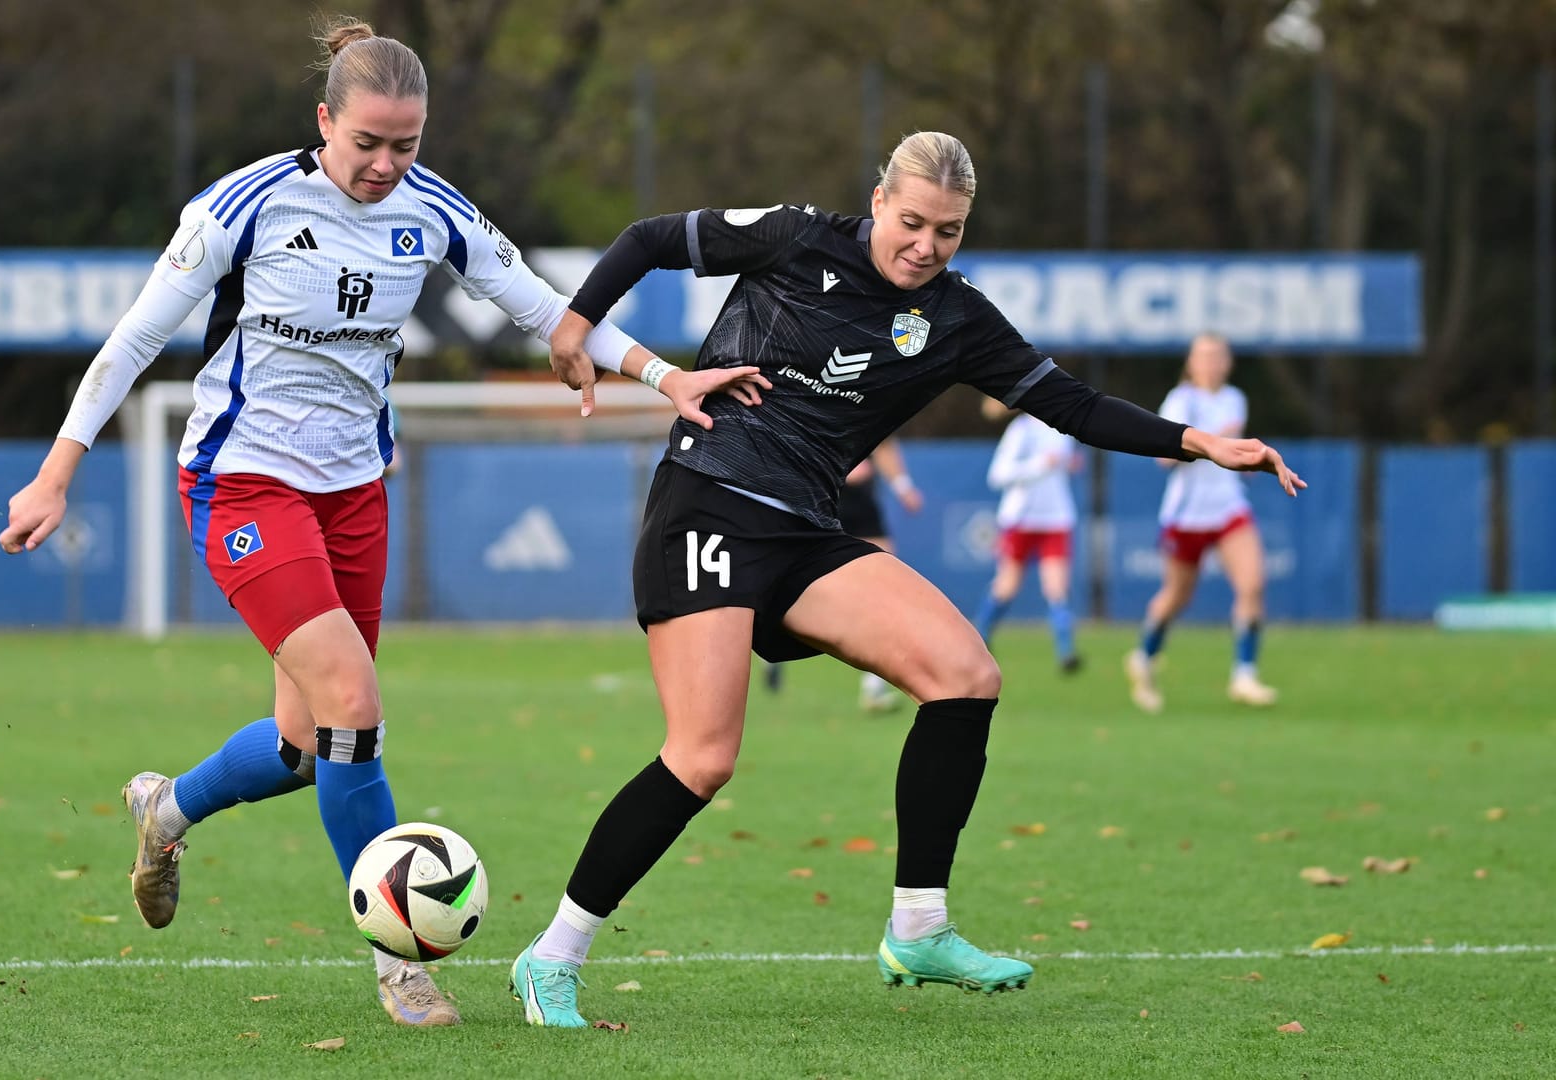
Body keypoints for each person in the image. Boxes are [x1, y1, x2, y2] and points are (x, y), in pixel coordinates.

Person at [0, 18, 763, 1028]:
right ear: (325, 121)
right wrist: (56, 474)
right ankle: (399, 958)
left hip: (355, 491)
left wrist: (661, 375)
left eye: (407, 144)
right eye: (367, 143)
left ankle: (165, 809)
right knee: (355, 702)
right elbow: (134, 340)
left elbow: (538, 304)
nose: (386, 164)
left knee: (303, 745)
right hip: (244, 486)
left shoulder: (432, 211)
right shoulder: (246, 205)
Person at [512, 130, 1304, 1027]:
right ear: (879, 201)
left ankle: (918, 924)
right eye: (913, 222)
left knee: (966, 676)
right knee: (704, 756)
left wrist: (1196, 442)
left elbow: (1072, 405)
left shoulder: (958, 317)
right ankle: (552, 958)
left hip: (808, 531)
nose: (926, 246)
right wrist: (574, 325)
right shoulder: (795, 234)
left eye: (950, 232)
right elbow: (653, 238)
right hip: (710, 502)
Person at [1125, 333, 1277, 712]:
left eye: (1217, 355)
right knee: (1177, 597)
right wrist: (1209, 442)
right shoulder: (1182, 400)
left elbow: (1234, 454)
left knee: (1253, 584)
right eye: (1203, 356)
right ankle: (1143, 657)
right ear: (1191, 363)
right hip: (1186, 516)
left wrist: (1248, 462)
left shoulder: (1234, 398)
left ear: (1228, 362)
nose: (1210, 363)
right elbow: (1163, 458)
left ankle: (1245, 674)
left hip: (1227, 509)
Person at [762, 440, 923, 710]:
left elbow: (884, 444)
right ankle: (771, 643)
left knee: (884, 591)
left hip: (861, 502)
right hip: (821, 497)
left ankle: (874, 687)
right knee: (798, 585)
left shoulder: (872, 402)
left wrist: (902, 486)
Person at [972, 395, 1082, 673]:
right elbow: (998, 475)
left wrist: (1064, 465)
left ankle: (1066, 651)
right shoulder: (1020, 430)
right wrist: (1040, 465)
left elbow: (1063, 464)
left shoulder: (1061, 430)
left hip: (1056, 518)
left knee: (1056, 588)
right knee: (1007, 586)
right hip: (1019, 519)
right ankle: (979, 637)